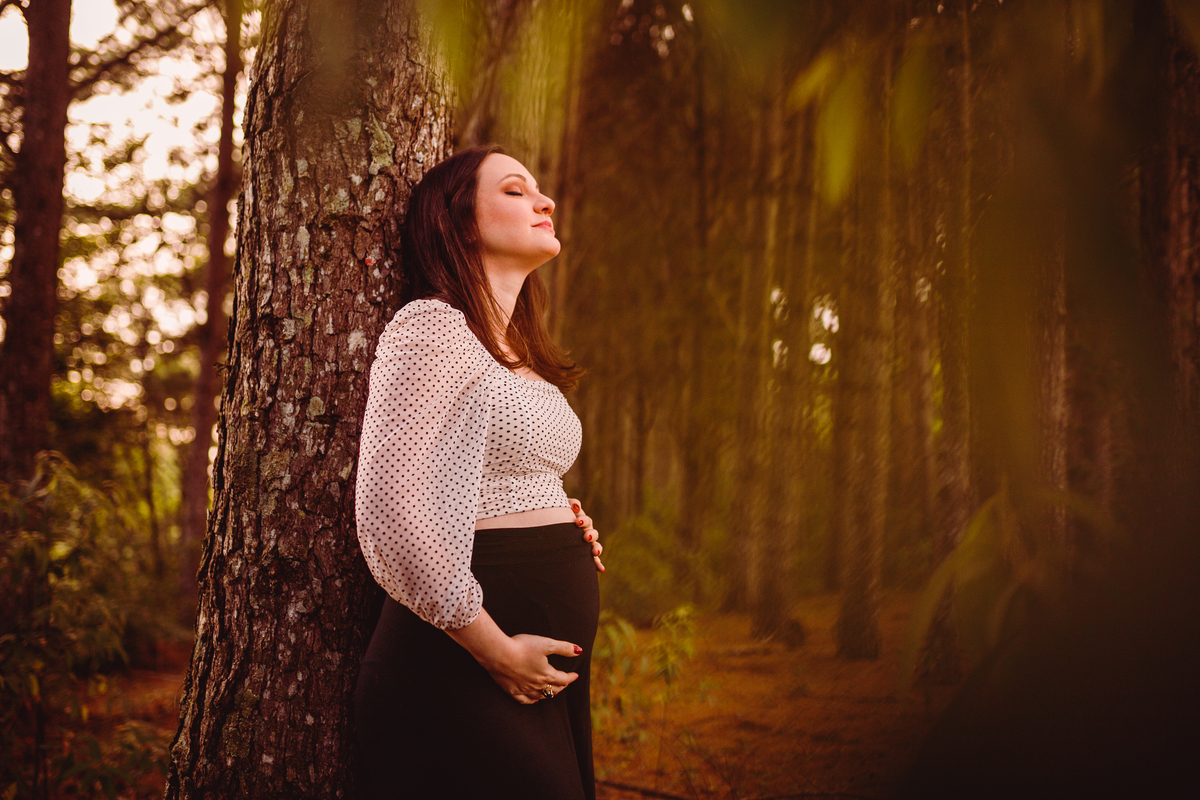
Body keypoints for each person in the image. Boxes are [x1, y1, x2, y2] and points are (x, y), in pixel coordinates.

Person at [353, 145, 604, 800]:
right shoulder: (433, 327)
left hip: (536, 666)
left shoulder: (519, 352)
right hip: (462, 660)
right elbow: (388, 513)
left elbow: (487, 473)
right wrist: (492, 647)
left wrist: (561, 521)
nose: (544, 202)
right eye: (517, 191)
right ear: (460, 222)